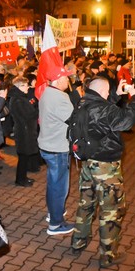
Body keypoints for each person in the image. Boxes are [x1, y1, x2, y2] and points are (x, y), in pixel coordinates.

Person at [70, 77, 135, 268]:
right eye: (108, 91)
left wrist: (115, 94)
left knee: (86, 204)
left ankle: (78, 242)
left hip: (87, 164)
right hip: (105, 167)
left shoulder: (83, 103)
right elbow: (126, 121)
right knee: (111, 209)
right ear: (103, 92)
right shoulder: (102, 108)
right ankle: (108, 255)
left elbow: (101, 115)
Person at [37, 65, 75, 235]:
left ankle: (54, 213)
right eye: (66, 77)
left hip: (48, 144)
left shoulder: (47, 92)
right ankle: (56, 224)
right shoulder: (60, 97)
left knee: (53, 183)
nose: (68, 80)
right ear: (59, 80)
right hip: (57, 147)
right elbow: (73, 119)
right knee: (59, 186)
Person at [8, 77, 38, 187]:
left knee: (24, 156)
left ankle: (23, 177)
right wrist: (38, 110)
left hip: (25, 129)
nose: (28, 87)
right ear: (19, 87)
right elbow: (28, 115)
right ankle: (20, 179)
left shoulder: (20, 98)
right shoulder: (18, 100)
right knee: (23, 156)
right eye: (25, 85)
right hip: (23, 131)